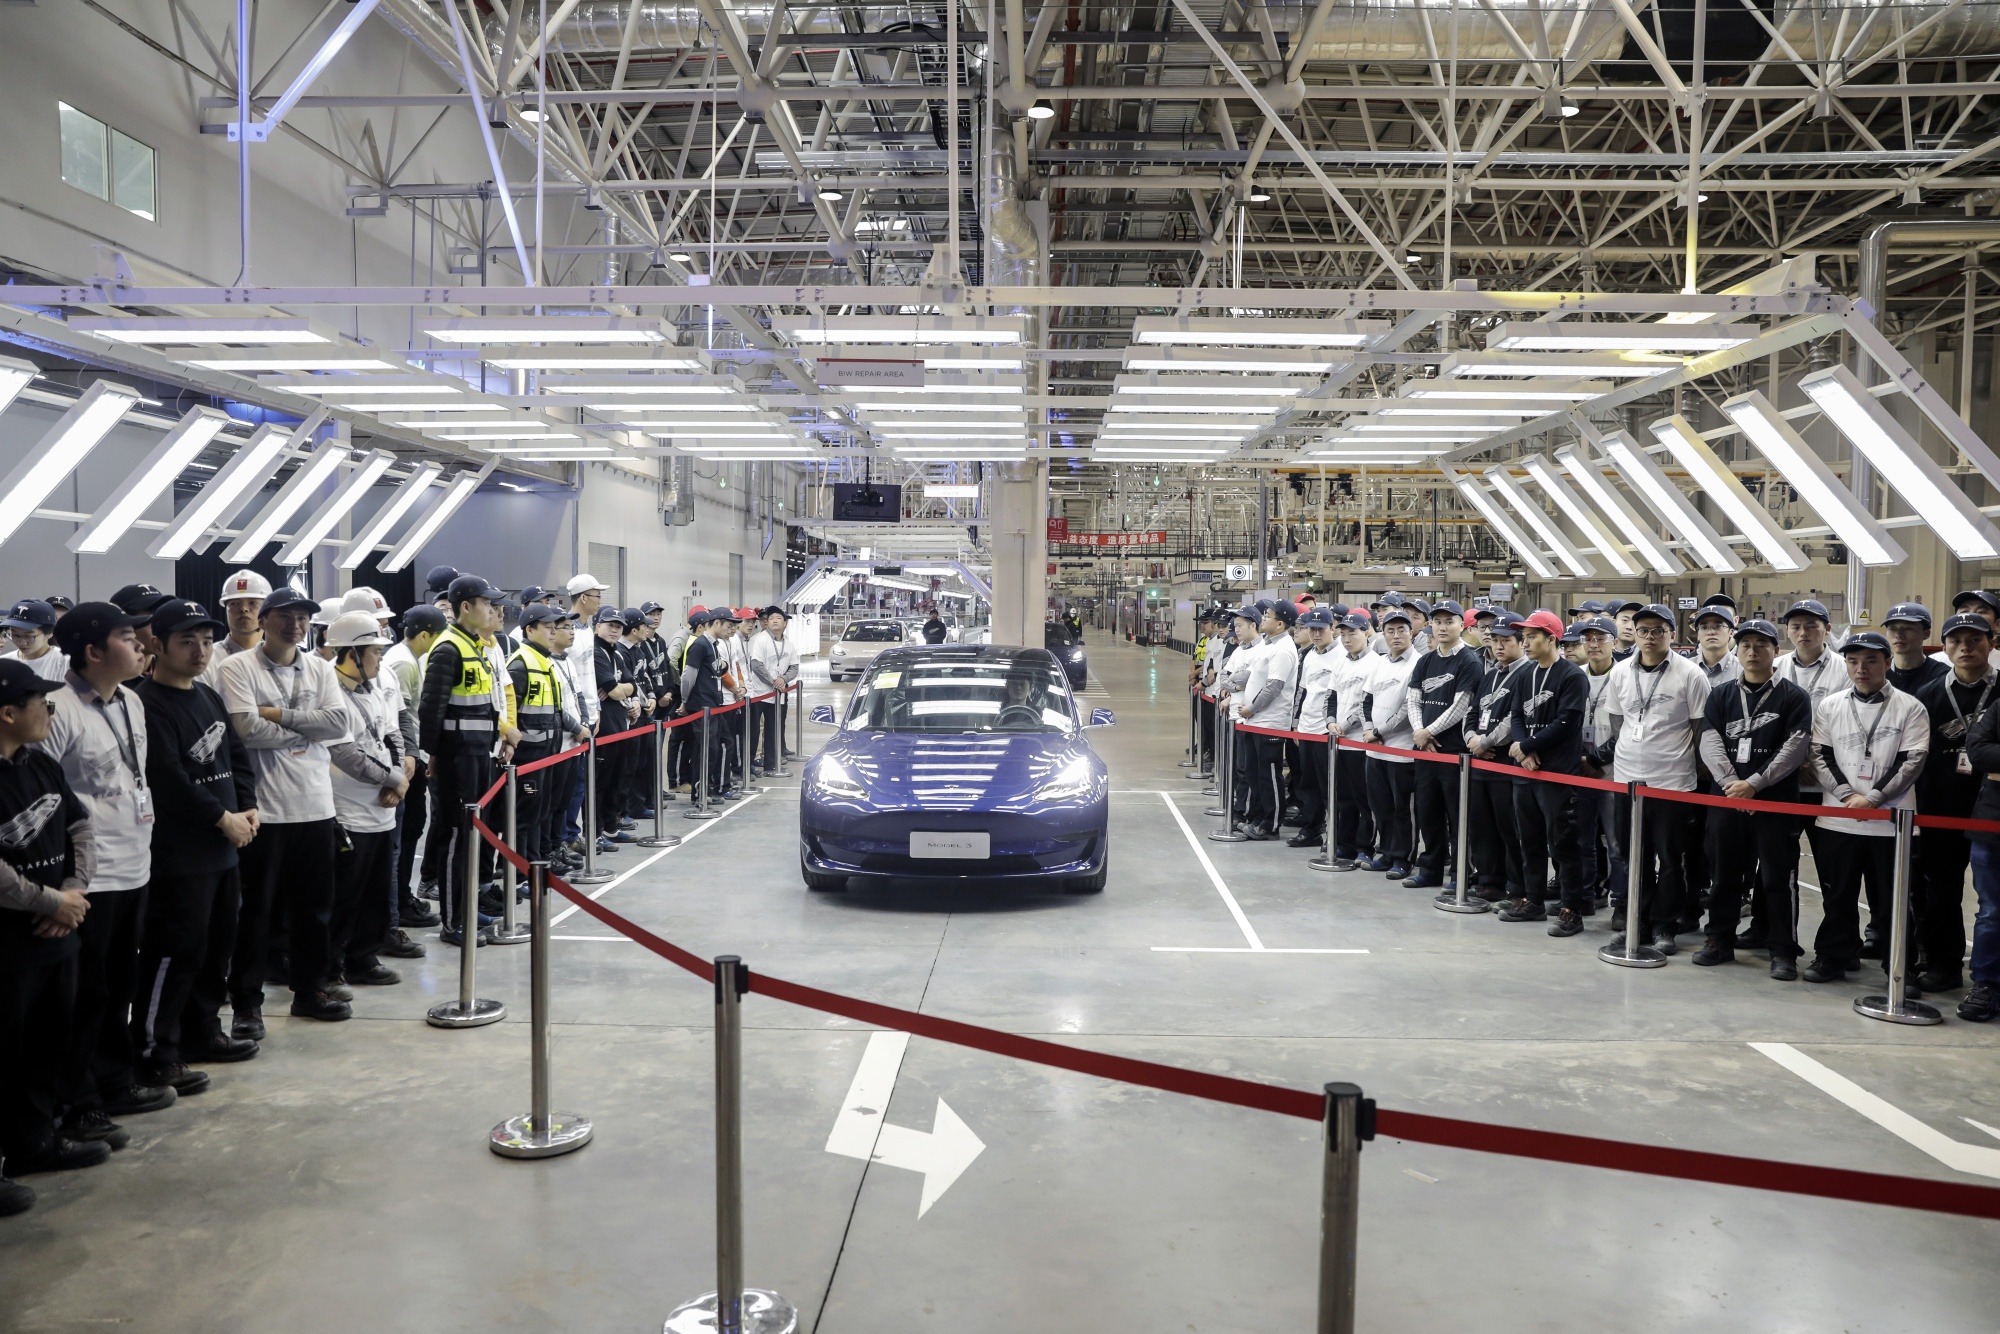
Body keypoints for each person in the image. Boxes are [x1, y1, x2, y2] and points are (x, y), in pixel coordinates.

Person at [39, 602, 174, 1140]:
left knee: (120, 985)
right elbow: (46, 804)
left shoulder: (132, 702)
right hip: (88, 880)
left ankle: (116, 1080)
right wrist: (60, 887)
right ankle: (78, 1101)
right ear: (93, 652)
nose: (141, 645)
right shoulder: (55, 709)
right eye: (126, 637)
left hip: (135, 865)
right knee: (84, 995)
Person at [132, 600, 259, 1090]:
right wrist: (220, 817)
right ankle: (154, 1049)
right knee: (174, 952)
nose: (201, 650)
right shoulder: (146, 703)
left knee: (216, 947)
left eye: (206, 641)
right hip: (180, 855)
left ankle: (201, 1031)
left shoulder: (207, 696)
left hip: (225, 847)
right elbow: (167, 778)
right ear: (156, 646)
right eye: (187, 641)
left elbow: (235, 754)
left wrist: (247, 805)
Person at [217, 587, 351, 1028]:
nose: (294, 625)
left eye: (302, 617)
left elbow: (337, 724)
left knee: (315, 910)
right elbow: (245, 731)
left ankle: (310, 990)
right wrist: (305, 728)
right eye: (284, 616)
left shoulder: (319, 668)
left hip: (315, 805)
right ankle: (247, 1004)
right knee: (254, 913)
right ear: (264, 620)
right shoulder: (238, 667)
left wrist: (277, 714)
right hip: (264, 810)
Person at [0, 659, 103, 1198]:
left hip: (56, 933)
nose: (50, 709)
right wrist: (49, 900)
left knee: (45, 1046)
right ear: (9, 713)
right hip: (10, 943)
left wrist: (74, 890)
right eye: (40, 701)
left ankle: (34, 1141)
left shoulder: (38, 761)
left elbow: (79, 822)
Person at [1804, 630, 1929, 987]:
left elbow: (1912, 760)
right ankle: (1833, 956)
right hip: (1838, 820)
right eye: (1853, 661)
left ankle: (1899, 967)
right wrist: (1847, 796)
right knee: (1837, 895)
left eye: (1871, 660)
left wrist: (1872, 798)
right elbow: (1819, 755)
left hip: (1893, 824)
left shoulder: (1911, 707)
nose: (1861, 669)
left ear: (1888, 662)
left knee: (1892, 900)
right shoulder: (1830, 706)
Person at [1695, 618, 1812, 975]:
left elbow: (1795, 747)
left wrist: (1755, 784)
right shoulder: (1721, 695)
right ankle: (1719, 939)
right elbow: (1709, 740)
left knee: (1777, 876)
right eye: (1745, 645)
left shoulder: (1794, 696)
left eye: (1761, 645)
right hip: (1727, 798)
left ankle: (1782, 949)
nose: (1752, 651)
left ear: (1776, 652)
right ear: (1737, 649)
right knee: (1724, 873)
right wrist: (1733, 783)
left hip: (1774, 800)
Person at [1600, 604, 1711, 952]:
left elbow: (1699, 730)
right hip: (1628, 780)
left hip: (1672, 782)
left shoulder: (1691, 674)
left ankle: (1666, 926)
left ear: (1672, 635)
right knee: (1636, 857)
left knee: (1671, 860)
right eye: (1644, 630)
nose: (1650, 637)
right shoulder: (1619, 673)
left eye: (1658, 631)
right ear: (1633, 633)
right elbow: (1618, 721)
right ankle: (1640, 922)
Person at [418, 576, 510, 947]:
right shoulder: (448, 648)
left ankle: (468, 908)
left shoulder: (476, 647)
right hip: (456, 758)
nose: (492, 609)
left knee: (473, 836)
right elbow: (430, 710)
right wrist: (433, 758)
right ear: (466, 607)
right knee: (456, 838)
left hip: (478, 755)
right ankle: (453, 921)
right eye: (486, 603)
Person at [1911, 613, 1995, 995]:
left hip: (1992, 810)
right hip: (1940, 807)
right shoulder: (1927, 695)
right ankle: (1944, 965)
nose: (1965, 647)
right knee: (1940, 891)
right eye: (1956, 640)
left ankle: (1991, 977)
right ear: (1944, 647)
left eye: (1975, 639)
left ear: (1991, 644)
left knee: (1994, 899)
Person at [325, 613, 409, 993]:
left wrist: (400, 778)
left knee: (375, 892)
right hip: (348, 811)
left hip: (382, 808)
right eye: (374, 652)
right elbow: (347, 754)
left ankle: (364, 957)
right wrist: (394, 779)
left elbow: (392, 734)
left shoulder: (373, 687)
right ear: (353, 653)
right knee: (344, 896)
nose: (380, 659)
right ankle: (332, 964)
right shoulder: (330, 691)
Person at [1502, 611, 1591, 934]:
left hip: (1556, 774)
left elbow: (1567, 722)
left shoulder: (1571, 676)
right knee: (1530, 840)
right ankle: (1533, 900)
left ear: (1551, 638)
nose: (1525, 642)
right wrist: (1524, 747)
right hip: (1526, 772)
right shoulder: (1525, 675)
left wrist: (1527, 746)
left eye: (1532, 636)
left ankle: (1571, 908)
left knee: (1564, 844)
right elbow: (1515, 715)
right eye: (1523, 637)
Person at [1766, 599, 1843, 954]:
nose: (1802, 632)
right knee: (1778, 867)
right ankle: (1774, 935)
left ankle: (1838, 946)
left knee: (1832, 871)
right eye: (1795, 626)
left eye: (1811, 625)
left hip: (1828, 785)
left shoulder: (1844, 669)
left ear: (1826, 629)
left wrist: (1813, 757)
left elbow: (1848, 723)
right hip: (1783, 782)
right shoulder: (1776, 667)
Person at [1403, 599, 1481, 889]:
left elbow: (1462, 705)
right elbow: (1413, 697)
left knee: (1458, 816)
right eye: (1438, 621)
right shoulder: (1426, 661)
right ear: (1430, 626)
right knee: (1428, 812)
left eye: (1449, 621)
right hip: (1425, 751)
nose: (1443, 626)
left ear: (1462, 625)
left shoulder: (1469, 661)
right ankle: (1430, 869)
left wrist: (1428, 731)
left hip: (1453, 752)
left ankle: (1460, 873)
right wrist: (1419, 730)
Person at [384, 606, 445, 933]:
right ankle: (399, 901)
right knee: (406, 834)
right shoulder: (404, 663)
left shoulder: (408, 658)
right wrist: (414, 758)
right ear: (425, 635)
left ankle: (402, 896)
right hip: (409, 761)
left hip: (416, 757)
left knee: (412, 830)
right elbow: (400, 720)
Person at [507, 605, 579, 870]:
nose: (553, 632)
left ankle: (536, 864)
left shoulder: (545, 661)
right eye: (547, 627)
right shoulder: (520, 663)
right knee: (525, 816)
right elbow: (510, 710)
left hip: (547, 755)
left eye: (554, 627)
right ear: (530, 629)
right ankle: (520, 871)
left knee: (540, 811)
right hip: (528, 758)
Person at [1463, 612, 1528, 903]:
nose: (1499, 647)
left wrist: (1485, 741)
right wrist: (1470, 739)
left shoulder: (1526, 675)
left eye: (1506, 641)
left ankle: (1516, 884)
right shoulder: (1490, 675)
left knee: (1509, 829)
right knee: (1481, 826)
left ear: (1521, 642)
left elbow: (1516, 717)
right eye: (1495, 641)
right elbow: (1473, 711)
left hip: (1505, 763)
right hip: (1479, 761)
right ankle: (1488, 879)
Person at [1356, 607, 1420, 876]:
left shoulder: (1418, 663)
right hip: (1375, 751)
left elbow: (1409, 707)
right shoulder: (1380, 662)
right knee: (1380, 806)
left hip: (1402, 751)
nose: (1396, 635)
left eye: (1401, 630)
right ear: (1383, 634)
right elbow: (1365, 699)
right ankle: (1386, 852)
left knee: (1402, 809)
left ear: (1411, 632)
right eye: (1390, 630)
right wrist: (1369, 728)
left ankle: (1403, 859)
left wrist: (1380, 732)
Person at [1230, 600, 1300, 840]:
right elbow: (1254, 676)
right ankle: (1258, 817)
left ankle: (1271, 824)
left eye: (1267, 616)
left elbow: (1274, 688)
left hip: (1269, 722)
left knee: (1270, 776)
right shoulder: (1269, 646)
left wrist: (1250, 708)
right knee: (1254, 773)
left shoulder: (1284, 649)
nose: (1263, 619)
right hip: (1255, 722)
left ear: (1280, 624)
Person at [1956, 681, 2000, 1020]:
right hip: (1992, 827)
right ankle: (1985, 984)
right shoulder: (1998, 708)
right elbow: (1978, 750)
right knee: (1991, 912)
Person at [1325, 612, 1378, 868]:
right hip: (1339, 740)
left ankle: (1365, 847)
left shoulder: (1376, 663)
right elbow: (1331, 695)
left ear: (1366, 632)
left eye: (1352, 633)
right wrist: (1330, 721)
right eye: (1343, 634)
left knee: (1364, 799)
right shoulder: (1341, 663)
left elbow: (1366, 704)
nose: (1346, 639)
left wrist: (1344, 725)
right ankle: (1343, 843)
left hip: (1360, 742)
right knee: (1342, 797)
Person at [679, 610, 729, 801]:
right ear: (716, 623)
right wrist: (685, 701)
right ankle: (700, 792)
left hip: (713, 704)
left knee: (713, 748)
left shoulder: (713, 645)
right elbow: (688, 676)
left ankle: (706, 789)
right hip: (701, 706)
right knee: (704, 750)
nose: (730, 629)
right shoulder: (700, 645)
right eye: (728, 625)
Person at [203, 570, 271, 693]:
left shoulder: (278, 659)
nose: (243, 609)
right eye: (234, 603)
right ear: (226, 609)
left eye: (253, 603)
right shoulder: (206, 658)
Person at [746, 608, 789, 773]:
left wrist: (783, 679)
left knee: (773, 729)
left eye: (779, 618)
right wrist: (773, 681)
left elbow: (794, 666)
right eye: (771, 618)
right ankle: (749, 764)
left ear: (785, 623)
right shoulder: (759, 640)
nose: (775, 621)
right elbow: (756, 665)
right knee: (754, 731)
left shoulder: (788, 643)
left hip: (777, 694)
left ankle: (771, 764)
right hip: (758, 693)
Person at [1885, 602, 1948, 695]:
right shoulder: (1878, 673)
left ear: (1926, 633)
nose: (1898, 635)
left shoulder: (1942, 676)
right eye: (1893, 628)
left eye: (1907, 628)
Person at [2, 601, 66, 683]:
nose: (21, 642)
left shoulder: (64, 663)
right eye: (15, 635)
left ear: (49, 633)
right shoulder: (4, 663)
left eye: (28, 636)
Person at [1690, 604, 1743, 684]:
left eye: (1718, 626)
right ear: (1698, 634)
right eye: (1704, 627)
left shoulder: (1743, 670)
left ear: (1731, 632)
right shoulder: (1685, 668)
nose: (1711, 632)